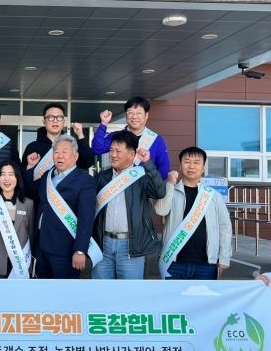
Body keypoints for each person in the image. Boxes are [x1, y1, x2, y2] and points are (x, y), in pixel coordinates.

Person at [91, 130, 166, 280]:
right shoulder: (101, 177)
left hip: (131, 245)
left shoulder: (141, 176)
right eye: (111, 150)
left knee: (130, 292)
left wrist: (148, 164)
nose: (113, 155)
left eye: (118, 151)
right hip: (103, 243)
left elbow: (159, 192)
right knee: (100, 290)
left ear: (132, 155)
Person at [24, 135, 96, 279]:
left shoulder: (85, 181)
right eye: (56, 151)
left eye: (64, 151)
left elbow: (86, 219)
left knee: (64, 291)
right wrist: (30, 167)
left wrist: (80, 250)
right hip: (41, 246)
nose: (60, 156)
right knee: (42, 289)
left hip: (65, 250)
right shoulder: (47, 176)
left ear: (75, 156)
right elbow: (30, 190)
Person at [155, 147, 232, 280]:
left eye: (196, 162)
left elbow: (225, 227)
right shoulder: (171, 190)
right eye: (187, 162)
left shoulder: (213, 196)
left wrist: (224, 258)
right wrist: (170, 184)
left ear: (203, 168)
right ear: (180, 166)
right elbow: (161, 211)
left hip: (207, 265)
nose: (191, 166)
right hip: (173, 262)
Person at [92, 96, 170, 180]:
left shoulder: (156, 140)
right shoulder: (117, 136)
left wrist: (153, 185)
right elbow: (97, 149)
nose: (134, 116)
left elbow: (164, 170)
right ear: (126, 115)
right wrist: (104, 123)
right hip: (120, 184)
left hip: (146, 186)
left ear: (146, 115)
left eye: (139, 113)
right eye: (130, 113)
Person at [0, 162, 35, 278]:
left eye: (11, 174)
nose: (7, 178)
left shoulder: (28, 204)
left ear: (17, 178)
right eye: (3, 174)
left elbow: (31, 234)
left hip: (21, 264)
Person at [22, 103, 94, 182]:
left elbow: (87, 162)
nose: (55, 120)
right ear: (44, 121)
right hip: (39, 189)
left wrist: (80, 135)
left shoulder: (71, 145)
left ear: (63, 122)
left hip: (67, 188)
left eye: (59, 117)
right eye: (51, 117)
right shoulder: (32, 147)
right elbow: (23, 175)